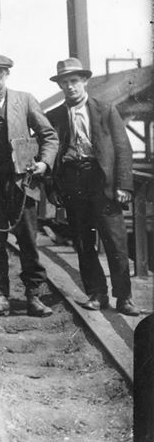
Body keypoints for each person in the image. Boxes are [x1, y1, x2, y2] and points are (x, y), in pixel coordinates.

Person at [45, 58, 139, 316]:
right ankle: (97, 294)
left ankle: (124, 297)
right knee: (84, 242)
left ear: (84, 81)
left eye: (74, 81)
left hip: (103, 184)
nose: (70, 87)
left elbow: (122, 148)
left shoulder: (105, 110)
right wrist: (51, 188)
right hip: (73, 184)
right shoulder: (54, 117)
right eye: (64, 83)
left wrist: (124, 186)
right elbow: (49, 152)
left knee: (115, 241)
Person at [0, 54, 59, 318]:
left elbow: (49, 136)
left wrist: (44, 163)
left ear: (7, 75)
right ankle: (0, 296)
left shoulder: (25, 100)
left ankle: (34, 296)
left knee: (28, 241)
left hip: (22, 182)